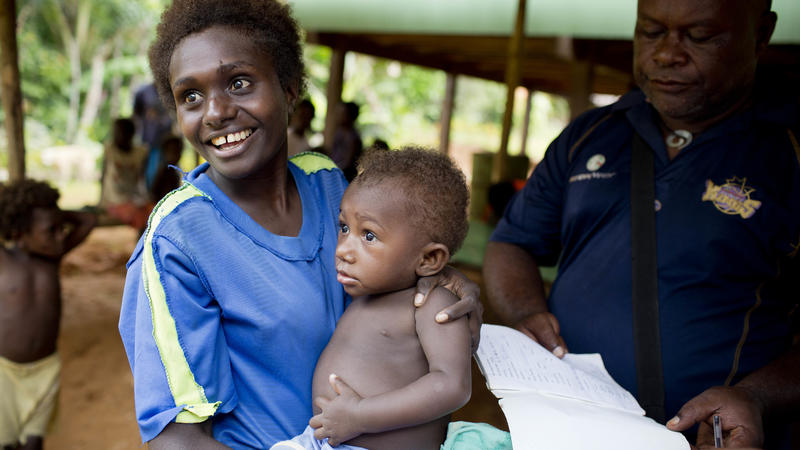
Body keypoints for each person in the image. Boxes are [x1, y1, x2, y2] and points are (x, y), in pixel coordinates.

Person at [117, 1, 481, 448]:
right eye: (190, 96)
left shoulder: (325, 182)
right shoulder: (177, 240)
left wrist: (445, 284)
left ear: (289, 89)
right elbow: (177, 440)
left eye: (238, 82)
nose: (214, 112)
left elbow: (394, 264)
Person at [483, 0, 799, 448]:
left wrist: (757, 396)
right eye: (651, 31)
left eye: (700, 36)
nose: (667, 53)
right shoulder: (590, 134)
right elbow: (512, 242)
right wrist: (525, 313)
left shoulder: (788, 152)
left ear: (761, 34)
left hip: (712, 440)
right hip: (564, 431)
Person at [271, 147, 474, 450]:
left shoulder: (432, 303)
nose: (343, 250)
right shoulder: (367, 293)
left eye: (369, 236)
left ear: (429, 259)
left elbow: (452, 385)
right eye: (344, 228)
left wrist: (360, 416)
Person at [0, 179, 96, 450]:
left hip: (45, 370)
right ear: (21, 232)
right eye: (50, 230)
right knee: (6, 444)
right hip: (5, 372)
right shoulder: (4, 261)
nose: (60, 235)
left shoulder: (52, 257)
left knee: (34, 443)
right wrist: (20, 213)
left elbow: (88, 220)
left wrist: (51, 214)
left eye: (60, 228)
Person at [98, 118, 151, 231]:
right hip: (113, 202)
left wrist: (143, 197)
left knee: (153, 211)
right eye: (116, 133)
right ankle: (142, 240)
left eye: (121, 132)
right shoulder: (110, 151)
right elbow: (103, 177)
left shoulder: (140, 153)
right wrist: (101, 202)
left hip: (134, 199)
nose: (117, 136)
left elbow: (142, 180)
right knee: (138, 215)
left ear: (131, 134)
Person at [330, 101, 363, 182]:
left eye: (342, 113)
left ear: (350, 116)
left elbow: (348, 163)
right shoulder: (339, 132)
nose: (338, 116)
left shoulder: (353, 138)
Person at [148, 135, 184, 203]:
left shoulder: (174, 170)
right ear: (164, 152)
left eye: (179, 151)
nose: (178, 155)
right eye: (174, 151)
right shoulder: (166, 172)